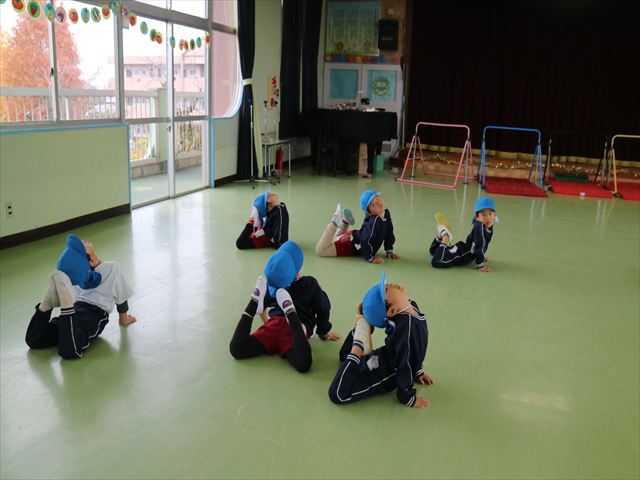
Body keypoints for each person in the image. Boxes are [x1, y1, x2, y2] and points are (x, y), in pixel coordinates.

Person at [229, 241, 340, 373]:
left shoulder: (271, 286)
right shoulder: (309, 284)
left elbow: (262, 309)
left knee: (237, 349)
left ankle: (252, 302)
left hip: (273, 324)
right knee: (303, 364)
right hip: (296, 329)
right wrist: (323, 333)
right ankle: (291, 312)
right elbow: (323, 308)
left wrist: (267, 321)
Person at [328, 272, 434, 408]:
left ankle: (360, 331)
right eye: (387, 289)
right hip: (386, 373)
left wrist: (417, 371)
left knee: (347, 360)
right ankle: (358, 344)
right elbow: (404, 362)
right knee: (338, 394)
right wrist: (407, 397)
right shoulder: (406, 326)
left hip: (382, 358)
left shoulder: (411, 306)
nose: (390, 284)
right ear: (392, 311)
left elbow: (415, 349)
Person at [25, 235, 136, 360]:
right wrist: (123, 319)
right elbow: (121, 296)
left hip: (73, 311)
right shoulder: (112, 268)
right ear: (91, 261)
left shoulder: (73, 273)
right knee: (69, 351)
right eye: (82, 247)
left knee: (34, 340)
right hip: (93, 316)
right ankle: (64, 305)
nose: (83, 241)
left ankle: (46, 305)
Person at [315, 189, 399, 264]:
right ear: (369, 213)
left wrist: (389, 249)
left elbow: (389, 232)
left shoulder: (386, 213)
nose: (379, 203)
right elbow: (365, 240)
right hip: (351, 245)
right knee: (321, 250)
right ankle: (334, 222)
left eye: (378, 199)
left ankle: (344, 222)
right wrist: (370, 258)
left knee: (334, 239)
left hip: (354, 237)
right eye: (373, 204)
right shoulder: (373, 222)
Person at [429, 197, 497, 272]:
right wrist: (481, 265)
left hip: (462, 249)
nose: (487, 218)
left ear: (494, 216)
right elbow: (480, 246)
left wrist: (482, 256)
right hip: (462, 254)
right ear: (477, 217)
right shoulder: (480, 227)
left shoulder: (487, 226)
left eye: (490, 214)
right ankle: (445, 237)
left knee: (433, 252)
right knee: (436, 262)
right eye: (483, 215)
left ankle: (441, 235)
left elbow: (484, 243)